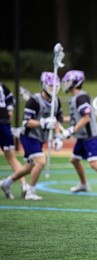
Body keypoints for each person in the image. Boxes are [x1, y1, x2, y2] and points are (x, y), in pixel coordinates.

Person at [0, 72, 64, 200]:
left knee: (29, 168)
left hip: (41, 138)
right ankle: (30, 191)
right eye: (51, 86)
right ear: (44, 85)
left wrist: (57, 137)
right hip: (29, 137)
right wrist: (43, 122)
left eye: (56, 87)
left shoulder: (56, 101)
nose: (54, 89)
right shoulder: (34, 101)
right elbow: (27, 122)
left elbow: (58, 119)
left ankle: (6, 183)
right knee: (40, 161)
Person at [0, 83, 28, 198]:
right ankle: (24, 184)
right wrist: (9, 111)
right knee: (12, 157)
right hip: (4, 123)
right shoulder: (2, 86)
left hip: (3, 123)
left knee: (11, 157)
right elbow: (12, 100)